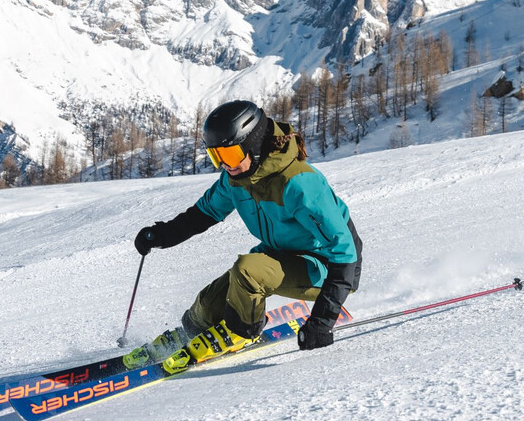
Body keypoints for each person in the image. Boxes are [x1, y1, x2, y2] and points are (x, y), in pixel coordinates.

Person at [125, 100, 361, 373]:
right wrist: (160, 235)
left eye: (232, 155)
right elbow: (201, 215)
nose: (226, 165)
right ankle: (192, 330)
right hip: (283, 252)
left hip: (331, 266)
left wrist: (322, 321)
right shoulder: (236, 180)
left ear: (255, 144)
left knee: (249, 270)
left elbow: (344, 252)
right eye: (217, 158)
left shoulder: (299, 184)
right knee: (208, 303)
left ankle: (242, 331)